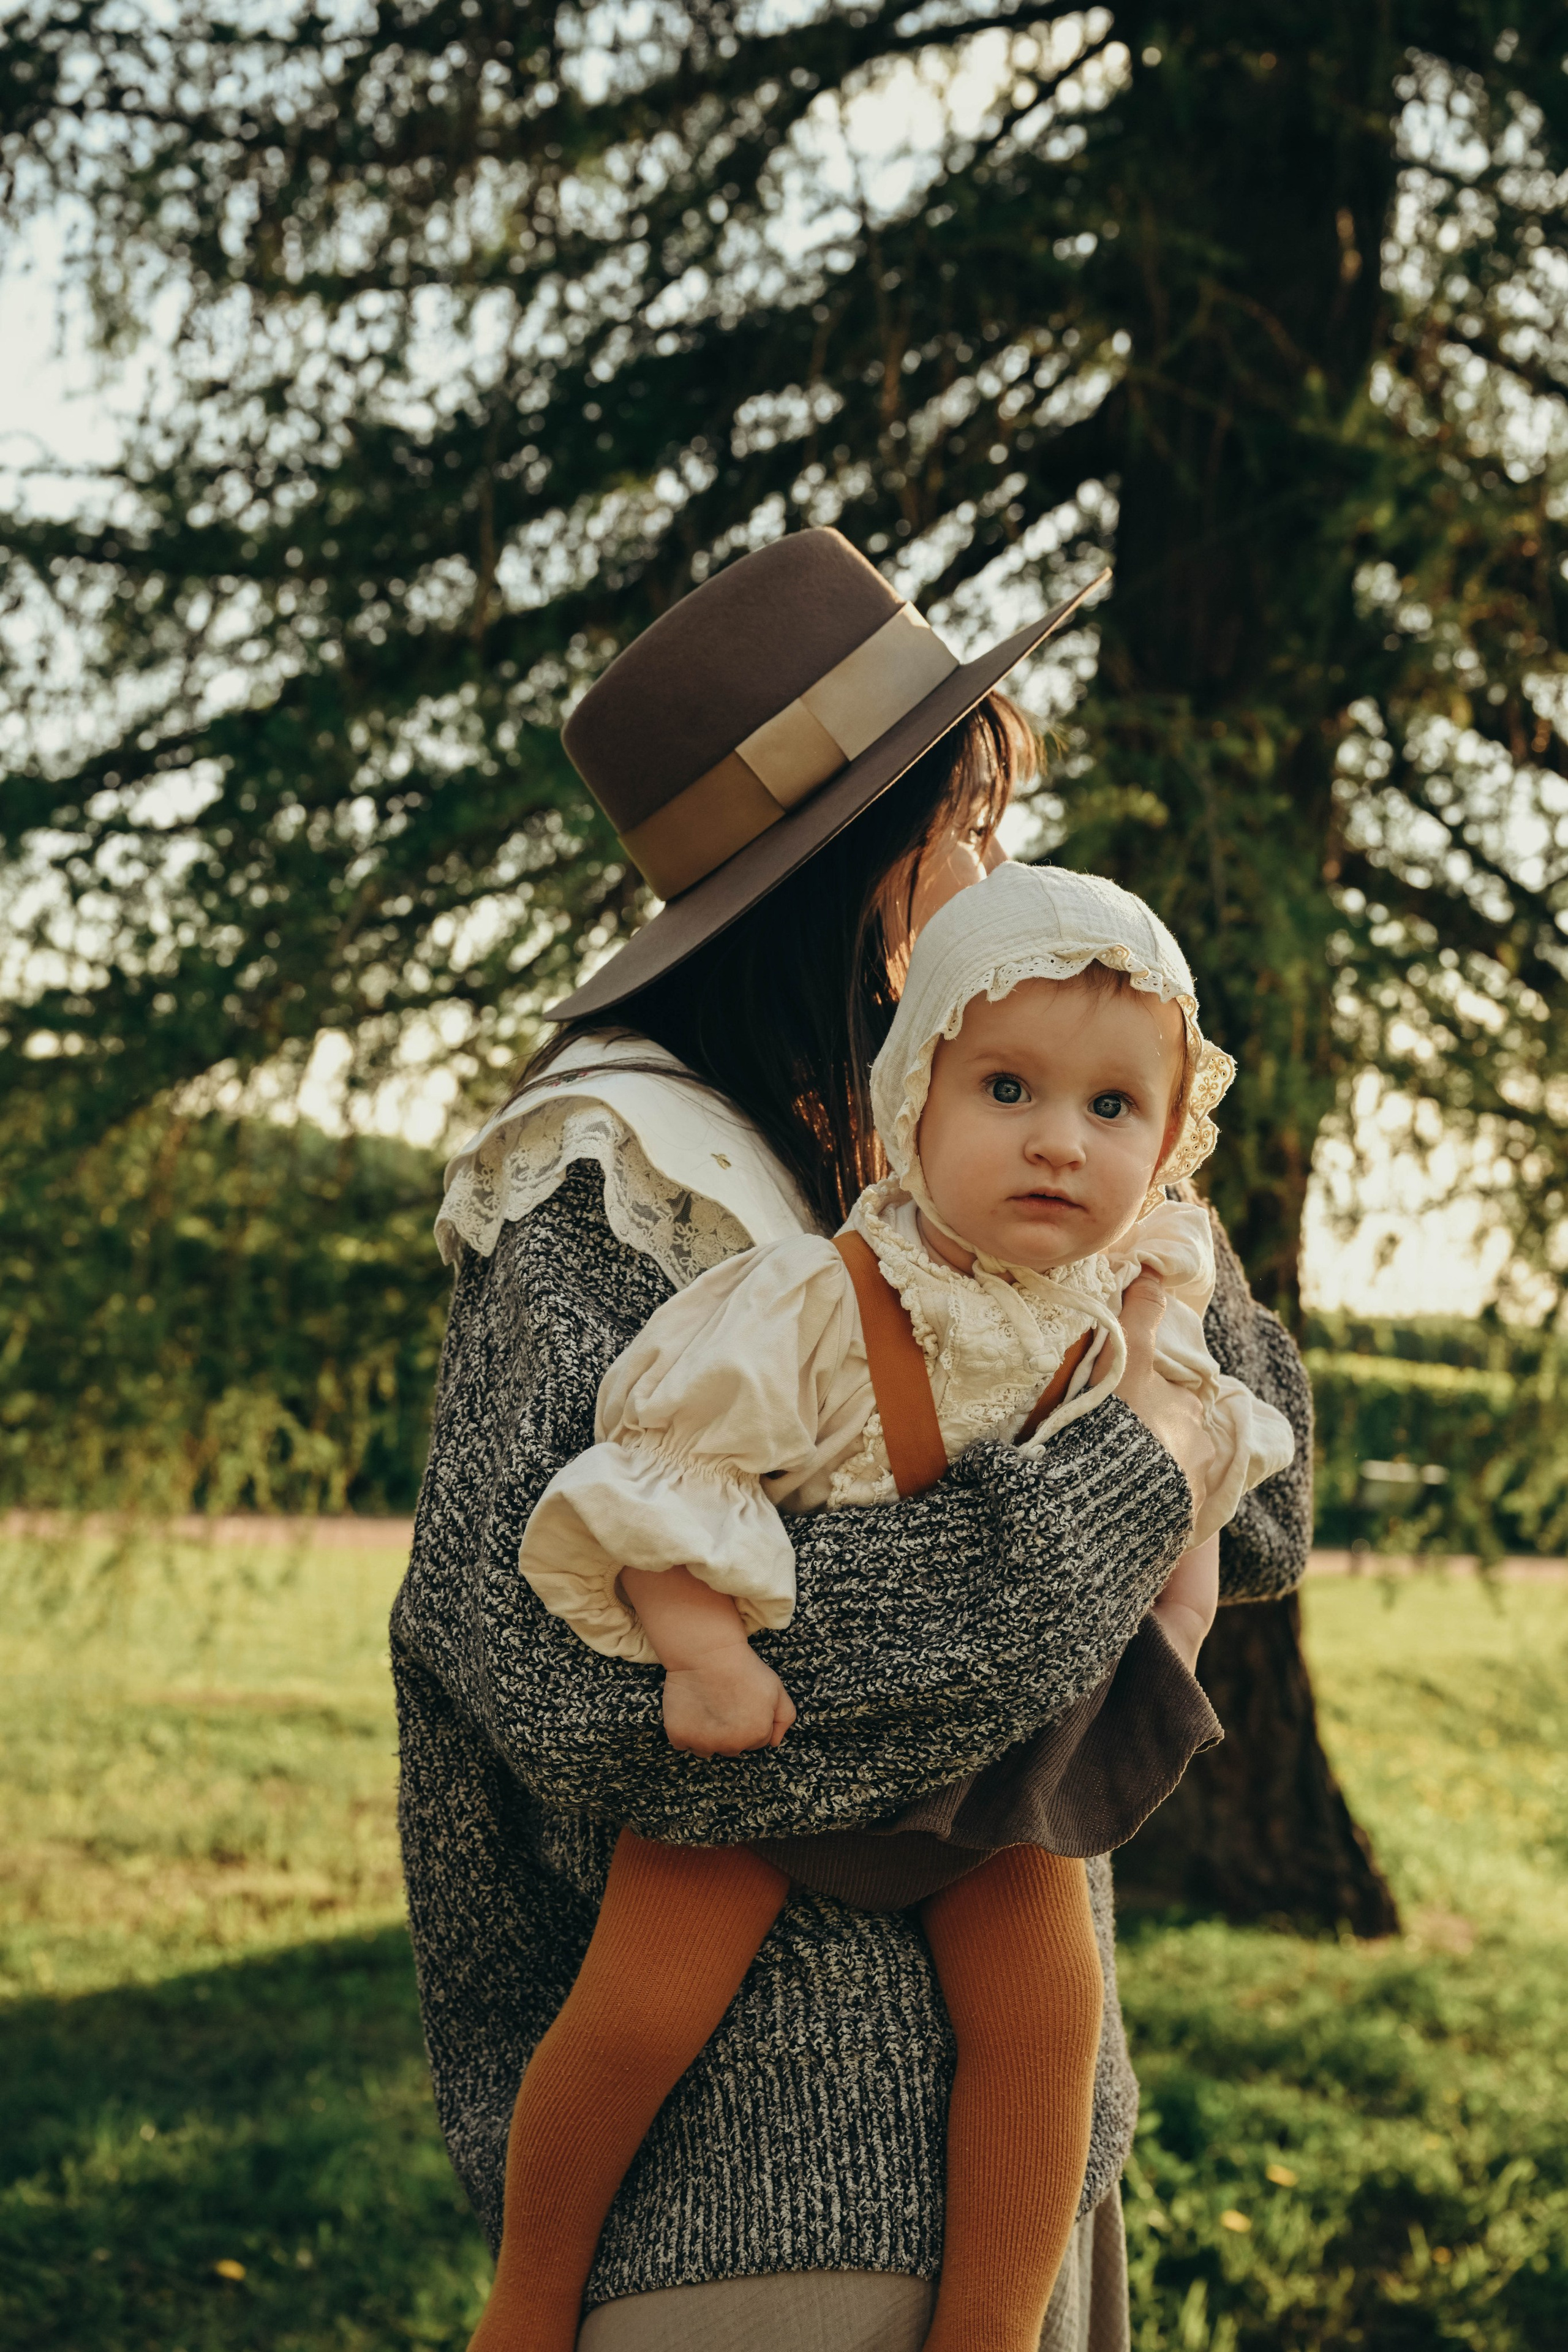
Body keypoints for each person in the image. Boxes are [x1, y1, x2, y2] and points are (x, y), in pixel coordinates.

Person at [392, 527, 1313, 2351]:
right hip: (768, 2216)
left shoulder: (964, 1131)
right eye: (965, 830)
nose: (1003, 873)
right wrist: (1129, 1474)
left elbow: (1277, 1470)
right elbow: (580, 1686)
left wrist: (1167, 1372)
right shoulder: (611, 1196)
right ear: (844, 881)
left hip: (1023, 2168)